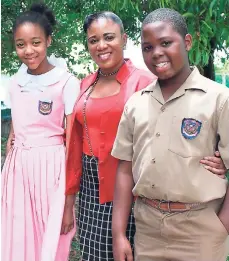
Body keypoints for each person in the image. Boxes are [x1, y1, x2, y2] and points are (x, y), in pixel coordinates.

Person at [65, 11, 227, 261]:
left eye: (166, 43)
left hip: (195, 224)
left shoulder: (215, 98)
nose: (157, 53)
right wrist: (115, 231)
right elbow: (121, 165)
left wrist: (221, 225)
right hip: (137, 219)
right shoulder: (124, 98)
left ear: (187, 42)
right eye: (148, 47)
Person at [1, 3, 79, 261]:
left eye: (35, 42)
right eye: (20, 44)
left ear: (48, 40)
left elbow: (72, 144)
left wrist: (69, 204)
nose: (28, 50)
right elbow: (16, 127)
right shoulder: (15, 82)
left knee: (51, 240)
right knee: (16, 239)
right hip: (18, 171)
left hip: (52, 168)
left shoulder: (66, 82)